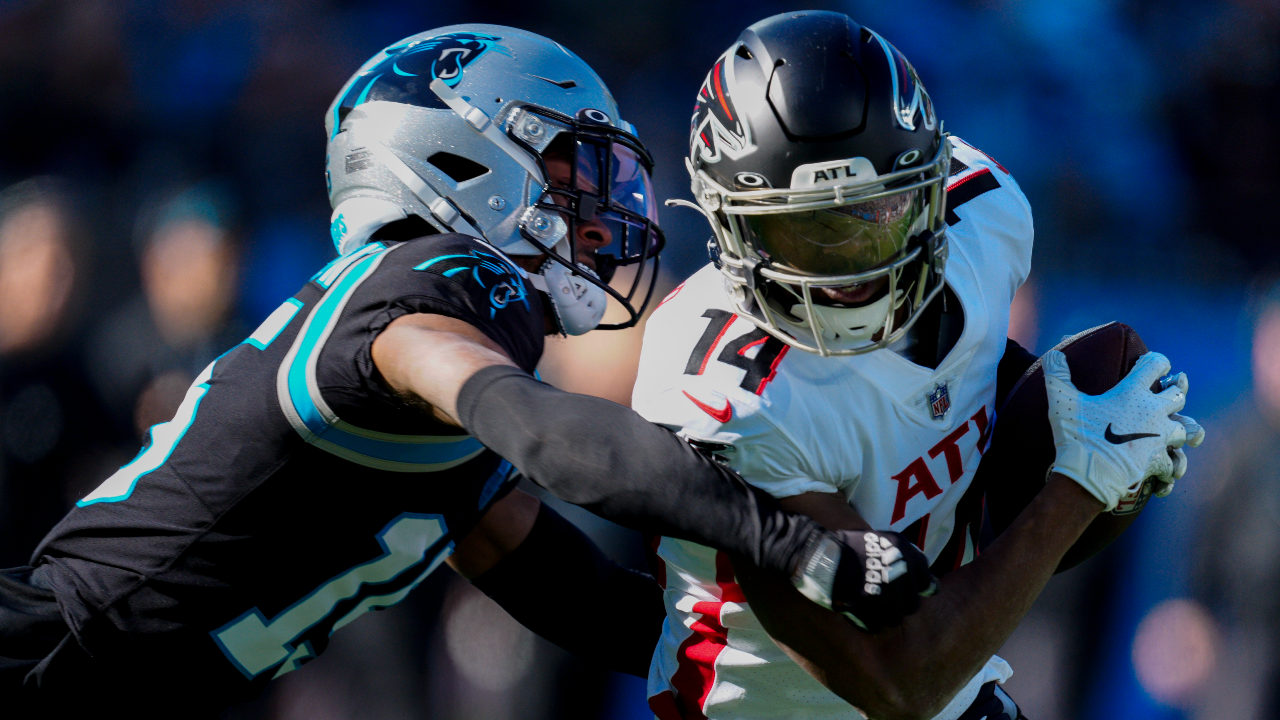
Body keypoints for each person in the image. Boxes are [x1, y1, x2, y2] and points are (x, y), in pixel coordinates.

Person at [0, 25, 938, 717]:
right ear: (465, 157)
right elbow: (537, 427)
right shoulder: (431, 282)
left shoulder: (440, 375)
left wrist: (802, 659)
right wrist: (794, 544)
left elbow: (570, 591)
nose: (601, 207)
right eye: (572, 167)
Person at [632, 12, 1205, 720]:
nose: (851, 272)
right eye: (805, 230)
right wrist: (1079, 484)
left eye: (878, 215)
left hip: (960, 691)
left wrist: (1090, 424)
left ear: (932, 190)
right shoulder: (728, 389)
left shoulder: (985, 217)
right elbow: (900, 681)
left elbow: (952, 387)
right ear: (727, 224)